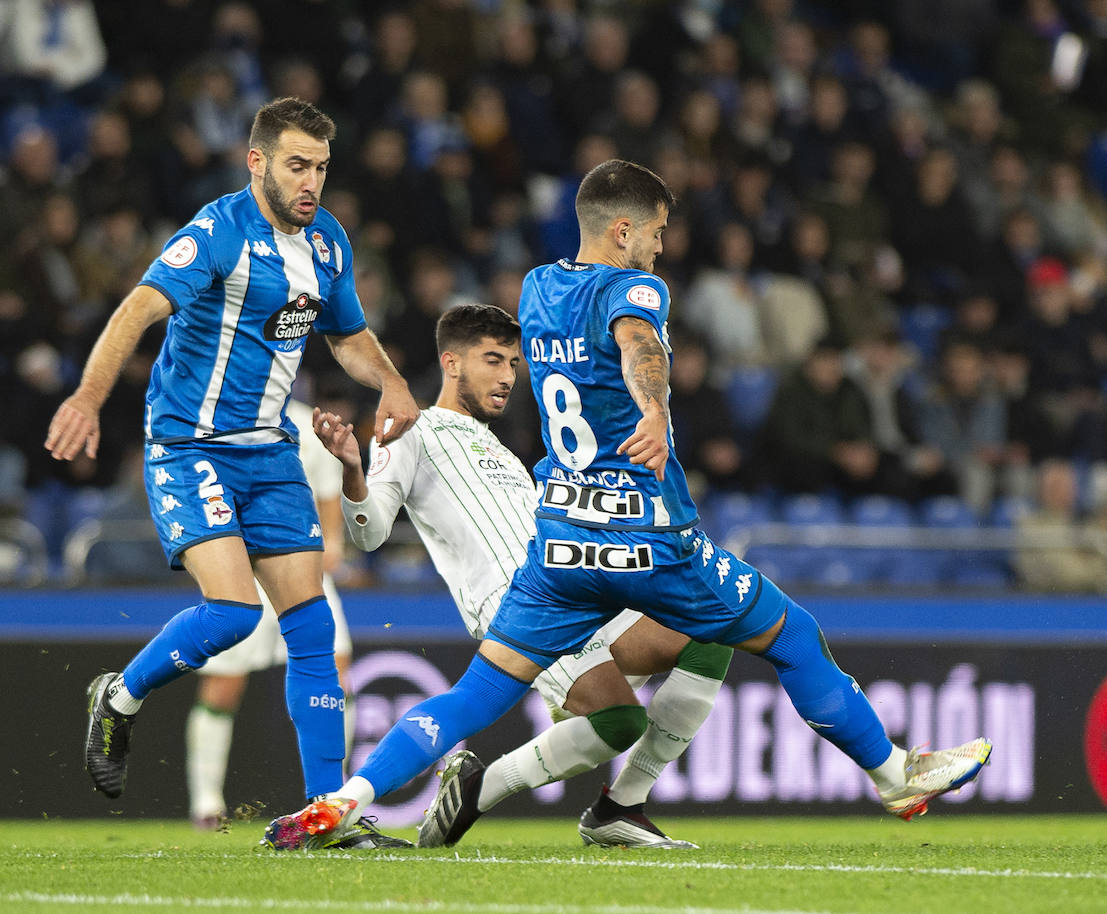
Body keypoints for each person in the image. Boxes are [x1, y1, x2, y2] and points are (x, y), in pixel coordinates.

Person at [262, 159, 991, 851]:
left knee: (476, 693)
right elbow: (639, 341)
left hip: (561, 547)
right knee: (791, 634)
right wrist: (653, 403)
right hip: (649, 537)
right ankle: (894, 776)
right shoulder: (637, 291)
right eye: (656, 231)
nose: (659, 245)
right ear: (623, 230)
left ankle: (345, 800)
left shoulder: (539, 287)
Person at [45, 97, 419, 849]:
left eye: (319, 167)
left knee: (312, 629)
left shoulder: (329, 244)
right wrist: (87, 396)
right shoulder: (217, 232)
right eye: (295, 165)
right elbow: (136, 311)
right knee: (234, 613)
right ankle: (118, 696)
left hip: (269, 450)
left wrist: (393, 381)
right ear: (257, 162)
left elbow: (346, 336)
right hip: (190, 445)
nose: (310, 181)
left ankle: (324, 819)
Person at [310, 303, 730, 848]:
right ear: (452, 363)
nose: (507, 376)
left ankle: (618, 805)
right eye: (493, 360)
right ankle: (369, 801)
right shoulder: (410, 430)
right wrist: (352, 471)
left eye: (513, 362)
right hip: (519, 606)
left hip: (578, 589)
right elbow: (368, 534)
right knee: (617, 721)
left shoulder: (507, 452)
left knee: (710, 629)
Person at [186, 399, 353, 830]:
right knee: (224, 687)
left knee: (337, 669)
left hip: (300, 565)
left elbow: (328, 492)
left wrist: (332, 543)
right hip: (239, 570)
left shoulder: (303, 421)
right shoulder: (213, 420)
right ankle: (206, 802)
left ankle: (335, 795)